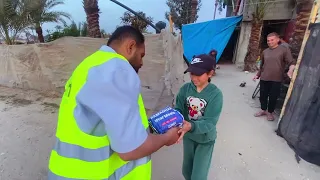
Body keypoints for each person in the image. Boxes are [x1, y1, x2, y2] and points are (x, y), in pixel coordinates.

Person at [47, 26, 180, 180]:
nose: (142, 62)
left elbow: (99, 119)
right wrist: (167, 138)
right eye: (141, 55)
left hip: (65, 172)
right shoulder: (118, 69)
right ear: (130, 47)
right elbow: (131, 149)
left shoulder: (89, 64)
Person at [174, 54, 223, 180]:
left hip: (205, 140)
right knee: (186, 171)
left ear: (210, 73)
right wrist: (171, 120)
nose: (194, 78)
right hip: (189, 137)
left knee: (198, 176)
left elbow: (210, 122)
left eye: (198, 74)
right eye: (191, 74)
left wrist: (191, 125)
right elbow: (178, 109)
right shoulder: (185, 89)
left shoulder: (215, 95)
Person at [253, 32, 295, 121]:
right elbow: (262, 66)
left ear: (277, 39)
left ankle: (270, 112)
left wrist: (290, 71)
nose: (269, 42)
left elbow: (291, 62)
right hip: (264, 78)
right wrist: (257, 75)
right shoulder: (265, 52)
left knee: (273, 97)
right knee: (263, 96)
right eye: (268, 40)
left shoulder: (283, 50)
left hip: (276, 79)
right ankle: (263, 110)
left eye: (272, 40)